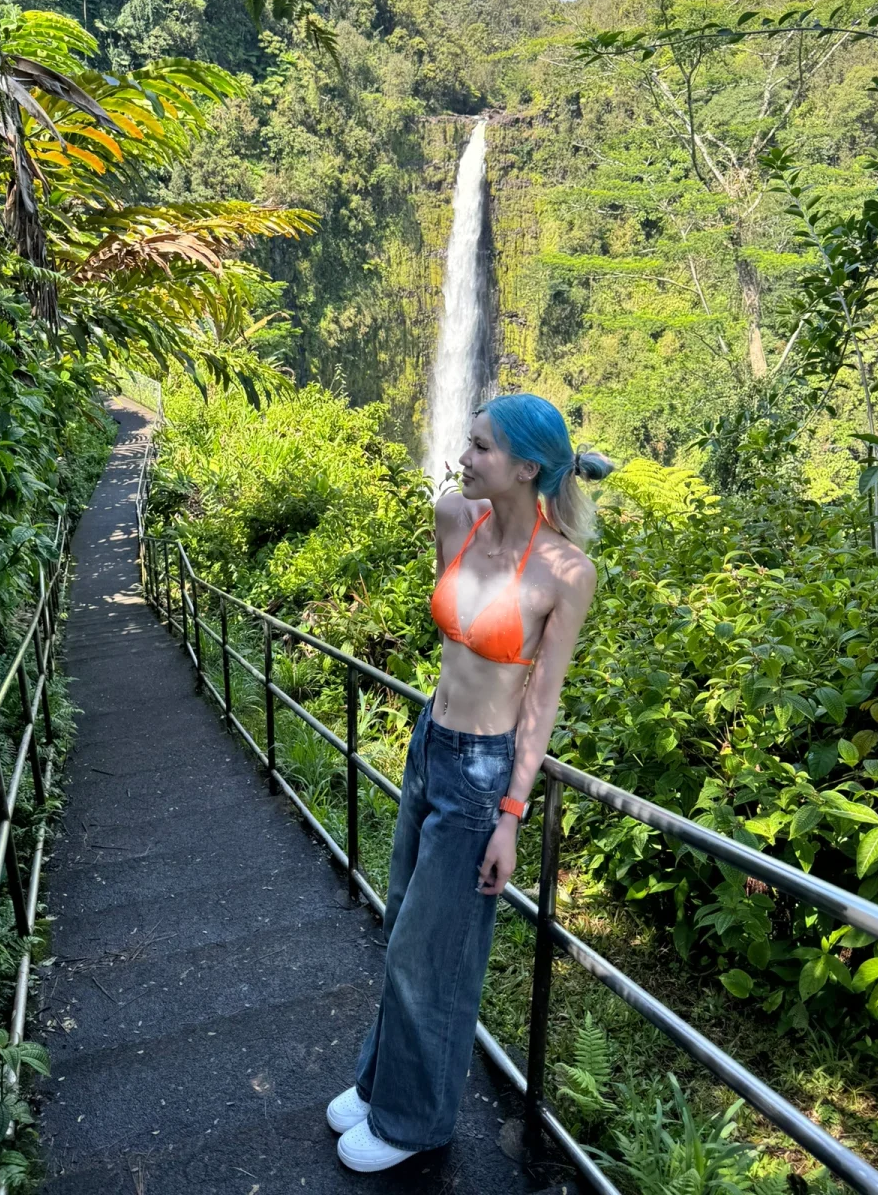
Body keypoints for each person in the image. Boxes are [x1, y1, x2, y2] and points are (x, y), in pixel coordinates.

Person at [328, 392, 612, 1173]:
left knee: (435, 953)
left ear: (527, 468)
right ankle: (383, 1082)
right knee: (404, 933)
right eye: (468, 441)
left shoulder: (566, 572)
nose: (462, 456)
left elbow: (542, 701)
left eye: (481, 447)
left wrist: (512, 816)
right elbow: (456, 629)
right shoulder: (457, 518)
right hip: (431, 743)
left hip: (483, 773)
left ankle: (416, 1122)